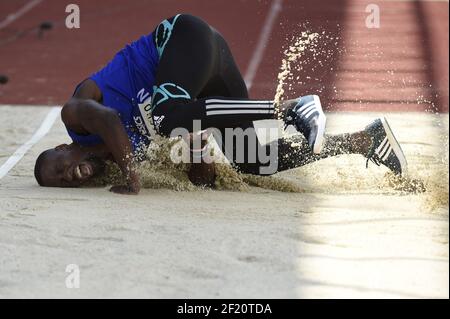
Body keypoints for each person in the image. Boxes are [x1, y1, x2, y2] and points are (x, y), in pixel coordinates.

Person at [34, 14, 407, 195]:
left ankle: (292, 108)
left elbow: (113, 121)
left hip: (183, 39)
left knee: (166, 116)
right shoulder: (122, 160)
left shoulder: (77, 117)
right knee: (255, 161)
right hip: (209, 76)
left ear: (65, 148)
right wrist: (197, 152)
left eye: (59, 168)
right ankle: (364, 140)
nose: (67, 176)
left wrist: (133, 182)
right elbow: (201, 176)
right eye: (62, 183)